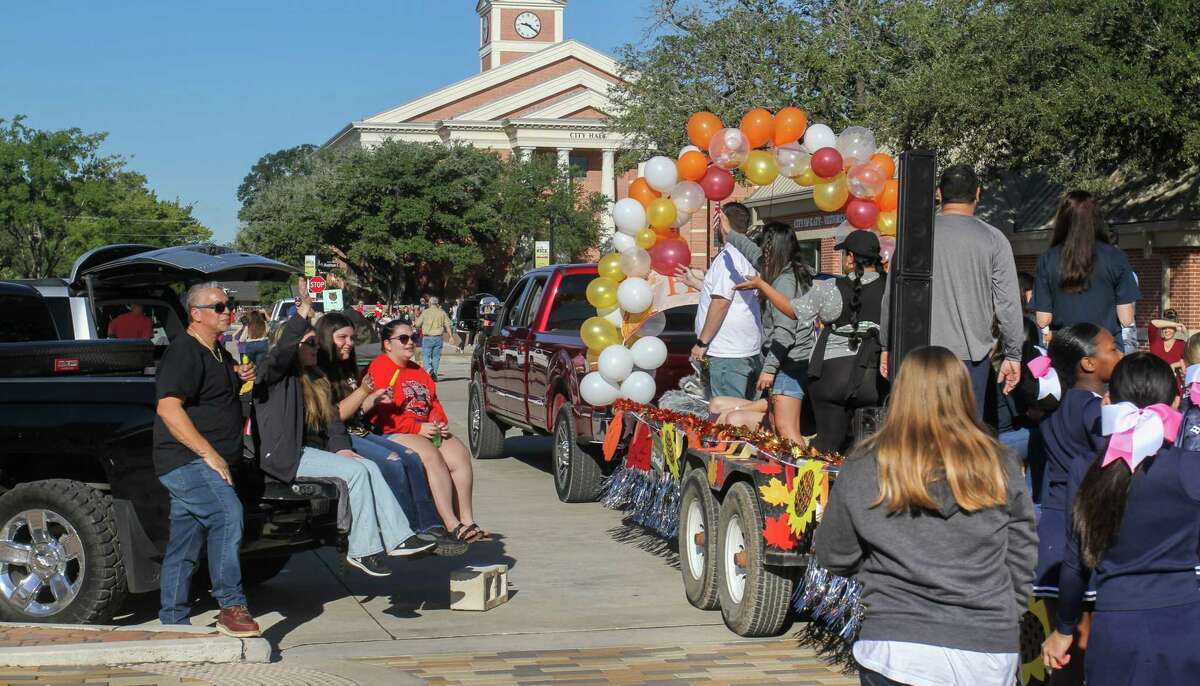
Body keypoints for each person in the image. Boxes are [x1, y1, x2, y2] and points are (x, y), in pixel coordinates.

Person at [815, 346, 1036, 686]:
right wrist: (1007, 614)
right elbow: (1021, 555)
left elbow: (834, 554)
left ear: (901, 394)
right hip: (986, 646)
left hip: (895, 644)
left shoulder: (865, 465)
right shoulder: (1001, 463)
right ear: (965, 394)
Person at [1042, 353, 1200, 685]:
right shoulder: (1190, 467)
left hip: (1117, 625)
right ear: (1175, 402)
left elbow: (1075, 561)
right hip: (1184, 621)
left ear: (1109, 401)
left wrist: (1064, 628)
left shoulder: (1086, 468)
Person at [254, 293, 435, 577]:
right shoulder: (276, 376)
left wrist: (341, 448)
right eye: (310, 343)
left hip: (310, 452)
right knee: (356, 473)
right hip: (284, 456)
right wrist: (301, 317)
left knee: (368, 466)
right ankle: (361, 550)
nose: (317, 348)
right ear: (293, 346)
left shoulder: (318, 378)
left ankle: (399, 537)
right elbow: (279, 354)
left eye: (316, 341)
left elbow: (333, 421)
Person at [153, 283, 260, 636]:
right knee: (228, 515)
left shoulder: (217, 351)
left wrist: (237, 375)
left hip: (207, 460)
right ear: (196, 314)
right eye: (218, 307)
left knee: (185, 541)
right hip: (186, 460)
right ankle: (231, 605)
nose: (227, 311)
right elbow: (169, 407)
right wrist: (210, 454)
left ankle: (172, 621)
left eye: (228, 305)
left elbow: (210, 390)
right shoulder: (184, 351)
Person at [880, 165, 1025, 419]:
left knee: (919, 438)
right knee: (964, 439)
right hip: (970, 359)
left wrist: (887, 345)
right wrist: (1013, 353)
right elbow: (1008, 304)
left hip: (918, 357)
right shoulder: (993, 239)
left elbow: (892, 297)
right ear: (978, 194)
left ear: (939, 194)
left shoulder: (913, 237)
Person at [314, 313, 465, 555]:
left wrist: (371, 398)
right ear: (325, 338)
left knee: (411, 459)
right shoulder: (319, 372)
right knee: (393, 464)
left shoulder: (347, 368)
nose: (349, 343)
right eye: (342, 337)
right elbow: (333, 416)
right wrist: (365, 391)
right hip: (335, 436)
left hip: (358, 430)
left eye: (352, 338)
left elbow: (357, 410)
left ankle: (432, 526)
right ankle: (407, 532)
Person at [736, 230, 887, 454]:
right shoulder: (891, 288)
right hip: (874, 376)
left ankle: (820, 487)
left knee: (828, 443)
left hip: (832, 376)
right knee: (871, 447)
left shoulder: (830, 288)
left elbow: (792, 310)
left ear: (851, 258)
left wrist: (762, 285)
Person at [1029, 323, 1123, 683]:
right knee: (1081, 645)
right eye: (1112, 349)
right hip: (1081, 528)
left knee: (1061, 646)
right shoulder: (1093, 410)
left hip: (1053, 525)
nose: (1119, 355)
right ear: (1087, 363)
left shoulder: (1057, 403)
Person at [368, 321, 488, 543]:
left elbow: (432, 402)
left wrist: (439, 422)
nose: (410, 343)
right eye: (403, 339)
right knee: (430, 454)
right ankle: (449, 523)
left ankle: (467, 519)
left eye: (413, 337)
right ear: (387, 344)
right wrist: (417, 428)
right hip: (392, 432)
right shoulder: (380, 367)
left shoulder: (419, 371)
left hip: (424, 428)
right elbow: (384, 414)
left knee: (459, 453)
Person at [722, 221, 816, 444]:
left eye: (765, 246)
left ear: (773, 249)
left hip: (790, 365)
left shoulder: (783, 281)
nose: (761, 251)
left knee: (786, 430)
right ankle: (788, 472)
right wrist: (730, 233)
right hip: (786, 364)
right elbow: (752, 252)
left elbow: (785, 332)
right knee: (777, 427)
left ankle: (807, 476)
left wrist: (769, 370)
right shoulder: (776, 270)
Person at [1032, 191, 1140, 351]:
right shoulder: (1116, 257)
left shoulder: (1047, 259)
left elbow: (1043, 319)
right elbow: (1126, 318)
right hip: (1107, 350)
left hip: (1066, 350)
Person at [690, 202, 762, 400]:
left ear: (721, 222)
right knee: (744, 413)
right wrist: (699, 285)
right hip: (746, 348)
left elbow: (721, 302)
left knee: (727, 413)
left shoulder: (726, 258)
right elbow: (736, 295)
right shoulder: (748, 256)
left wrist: (702, 342)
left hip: (727, 353)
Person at [414, 296, 453, 382]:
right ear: (437, 303)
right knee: (436, 357)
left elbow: (417, 324)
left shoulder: (425, 312)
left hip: (427, 337)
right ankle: (434, 374)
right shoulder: (442, 312)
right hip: (438, 337)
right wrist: (451, 337)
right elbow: (448, 325)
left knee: (425, 356)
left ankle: (429, 369)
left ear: (430, 303)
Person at [1148, 308, 1186, 373]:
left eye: (1170, 328)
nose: (1166, 331)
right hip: (1155, 381)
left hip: (1175, 382)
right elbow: (1152, 323)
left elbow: (1189, 362)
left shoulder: (1181, 344)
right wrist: (1176, 324)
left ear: (1175, 329)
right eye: (1164, 328)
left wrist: (1174, 365)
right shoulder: (1155, 341)